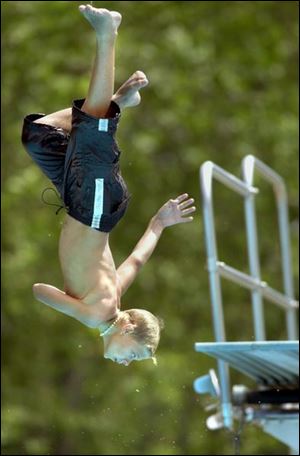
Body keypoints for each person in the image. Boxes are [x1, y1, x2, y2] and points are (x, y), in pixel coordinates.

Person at [21, 5, 196, 366]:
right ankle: (108, 33)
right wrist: (77, 312)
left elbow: (136, 259)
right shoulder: (96, 312)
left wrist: (159, 223)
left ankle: (114, 103)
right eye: (134, 354)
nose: (126, 363)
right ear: (128, 327)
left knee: (38, 136)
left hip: (79, 202)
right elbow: (39, 292)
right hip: (93, 208)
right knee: (92, 127)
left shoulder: (113, 296)